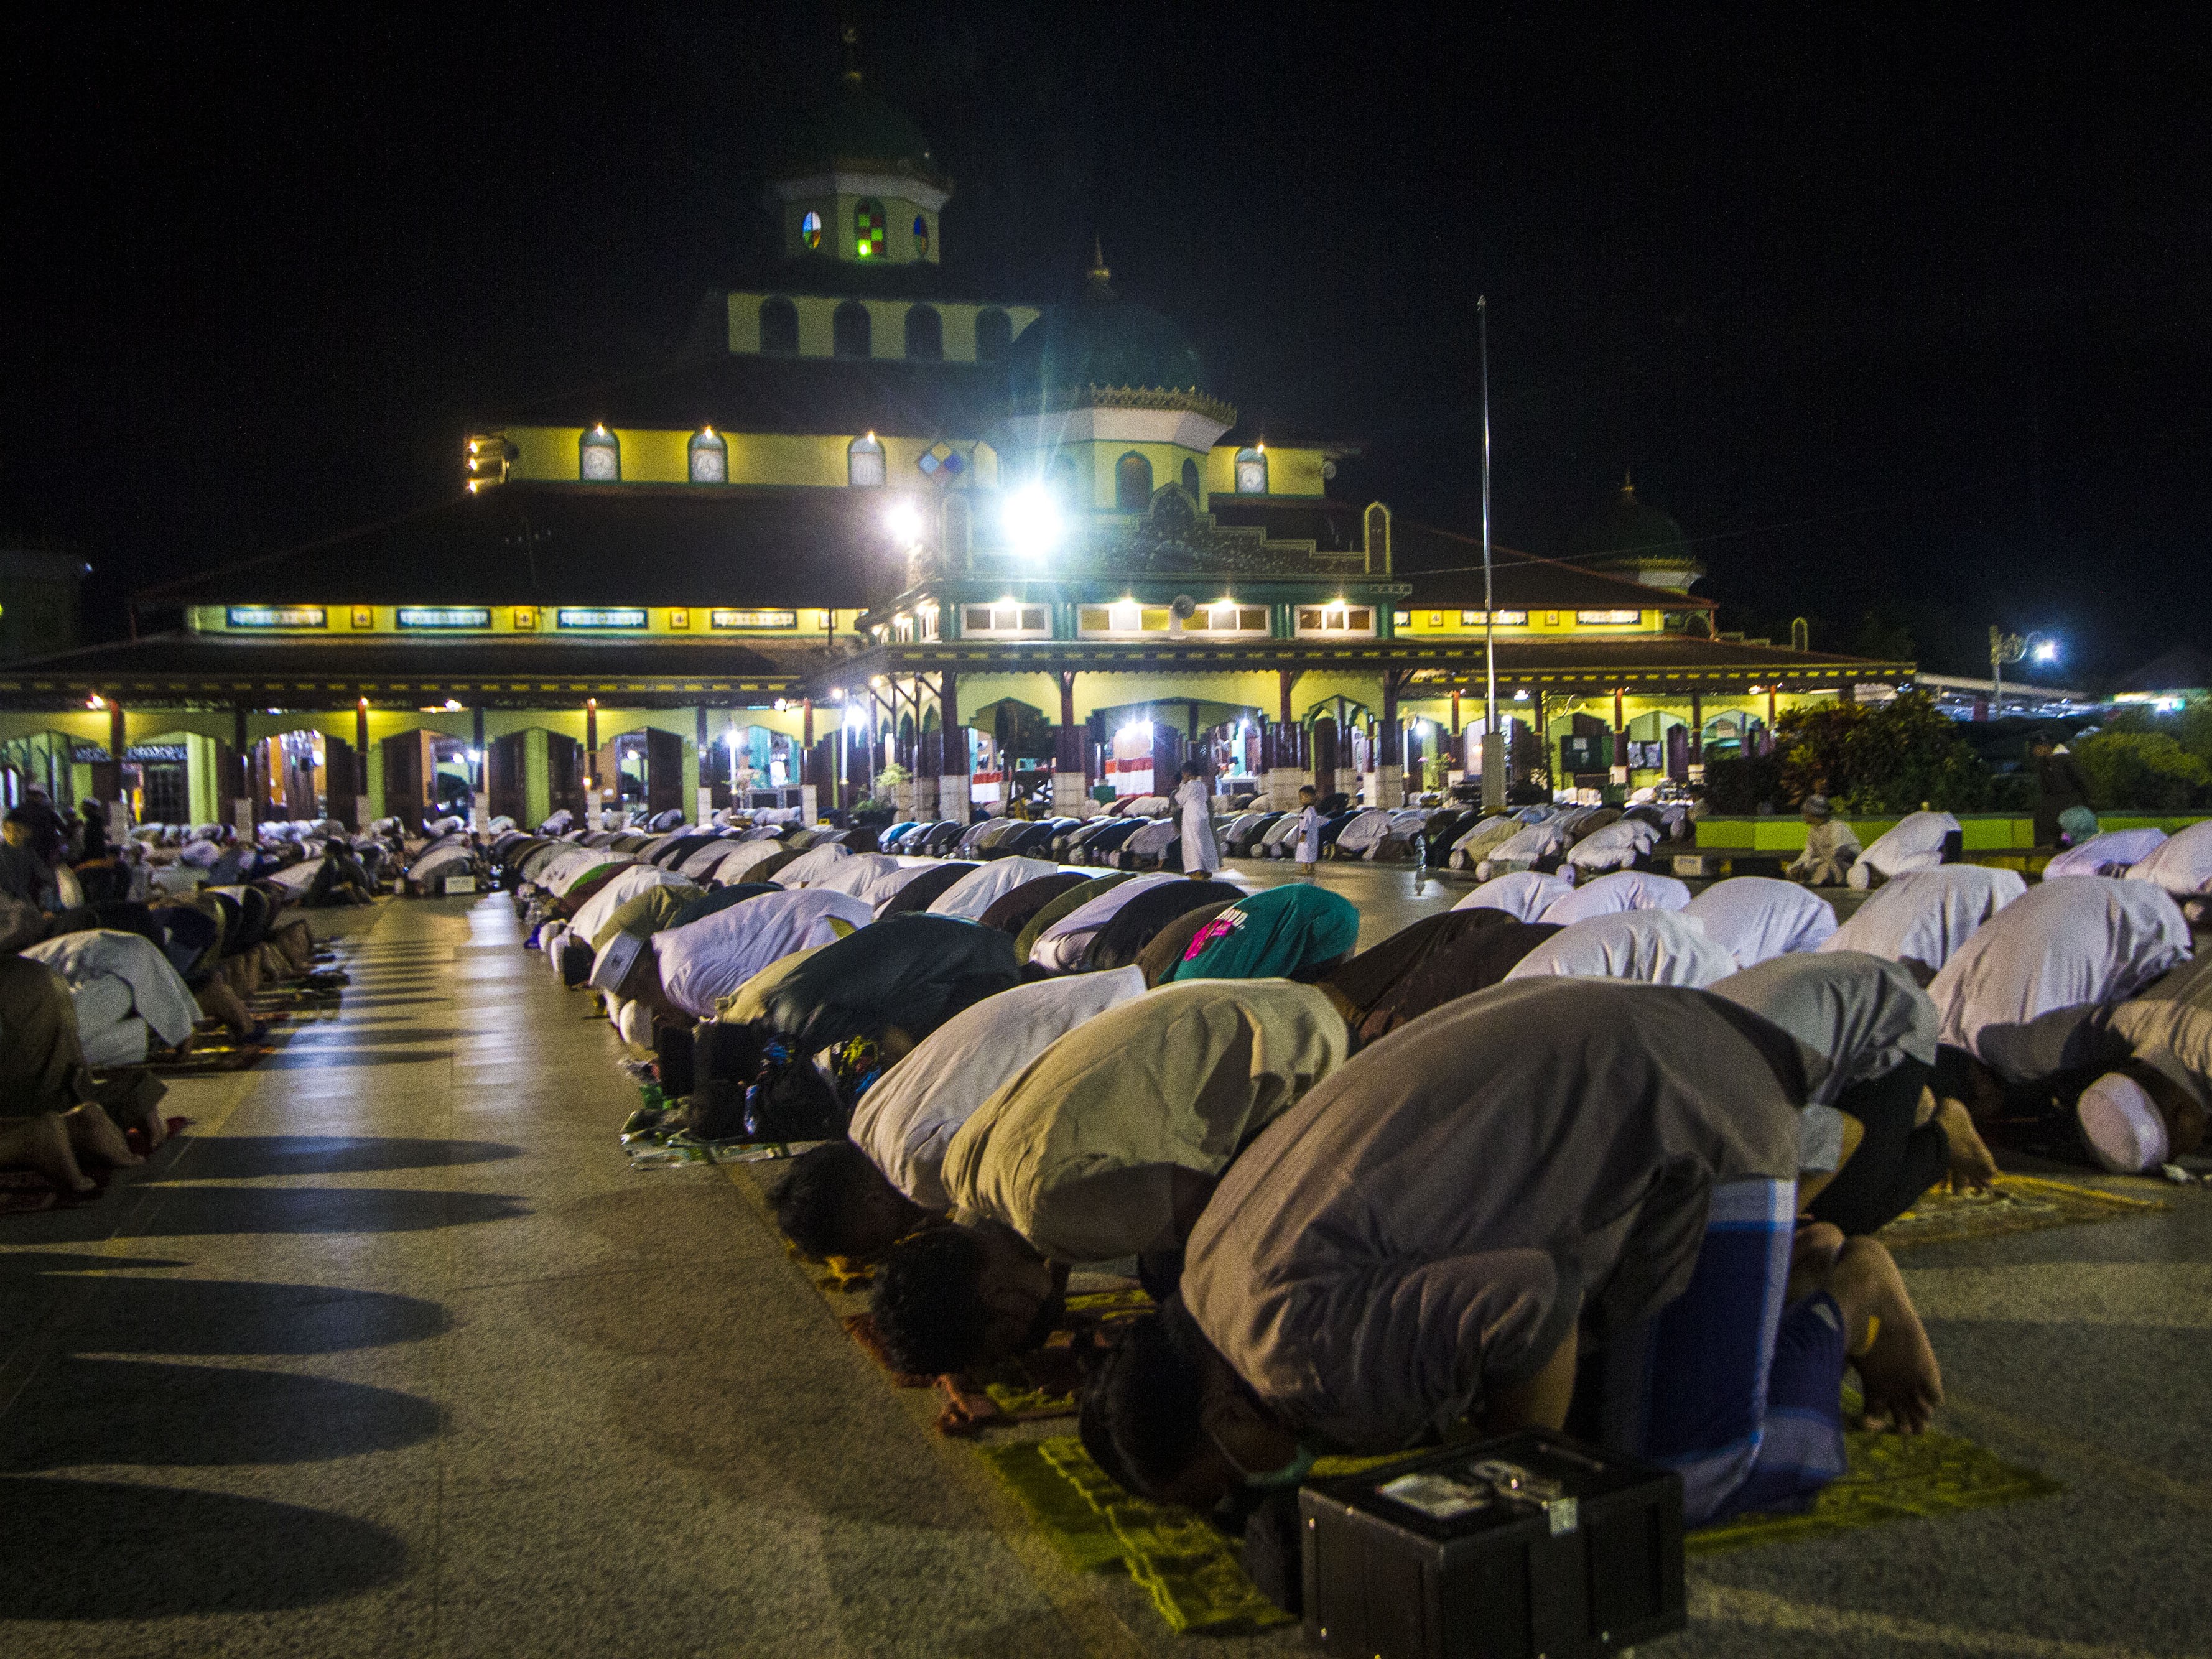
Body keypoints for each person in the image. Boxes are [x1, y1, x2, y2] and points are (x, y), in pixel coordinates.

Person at [1087, 979, 1941, 1525]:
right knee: (1593, 1413)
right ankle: (1787, 1274)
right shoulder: (1209, 1268)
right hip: (1653, 1044)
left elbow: (1537, 1299)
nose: (1245, 1504)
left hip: (1698, 1117)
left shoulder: (1295, 1359)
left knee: (1679, 1479)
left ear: (1225, 1417)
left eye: (1224, 1489)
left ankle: (1848, 1295)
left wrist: (1516, 1491)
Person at [868, 978, 1350, 1375]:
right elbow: (1065, 1195)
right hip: (1249, 1000)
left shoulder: (1043, 1209)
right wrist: (1051, 1288)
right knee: (1162, 1257)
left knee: (1187, 1283)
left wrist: (1188, 1354)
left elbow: (1224, 1214)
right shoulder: (963, 1169)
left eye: (1009, 1336)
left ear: (1002, 1302)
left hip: (1302, 1045)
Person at [778, 967, 1151, 1260]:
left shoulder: (916, 1170)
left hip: (1132, 1019)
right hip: (1099, 992)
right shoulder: (866, 1118)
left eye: (880, 1243)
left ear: (870, 1204)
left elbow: (1035, 1171)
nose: (899, 1240)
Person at [1712, 951, 1999, 1233]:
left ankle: (1947, 1131)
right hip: (1825, 1001)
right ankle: (1909, 1106)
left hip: (1888, 1016)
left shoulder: (1730, 1116)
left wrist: (1773, 1230)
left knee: (1848, 1211)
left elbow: (1841, 1135)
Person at [0, 954, 160, 1189]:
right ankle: (81, 1124)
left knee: (35, 1106)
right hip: (36, 981)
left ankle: (25, 1139)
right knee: (56, 1097)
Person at [2031, 730, 2093, 849]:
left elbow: (2082, 782)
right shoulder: (2045, 762)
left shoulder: (2064, 760)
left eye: (2036, 747)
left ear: (2046, 746)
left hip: (2067, 809)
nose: (2034, 752)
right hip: (2062, 810)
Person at [1785, 795, 1861, 886]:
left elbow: (1838, 854)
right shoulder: (1813, 831)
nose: (1803, 815)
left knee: (1826, 867)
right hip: (1825, 864)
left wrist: (1810, 866)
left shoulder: (1837, 827)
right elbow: (1809, 854)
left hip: (1844, 866)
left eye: (1805, 812)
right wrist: (1797, 866)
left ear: (1811, 813)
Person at [1173, 762, 1220, 879]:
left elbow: (1179, 799)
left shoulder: (1190, 786)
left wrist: (1182, 786)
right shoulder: (1202, 785)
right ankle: (1206, 869)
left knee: (1192, 844)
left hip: (1192, 818)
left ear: (1187, 774)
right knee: (1203, 843)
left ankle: (1196, 870)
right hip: (1203, 817)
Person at [1290, 784, 1324, 877]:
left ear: (1309, 797)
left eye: (1303, 797)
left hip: (1307, 836)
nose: (1301, 799)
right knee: (1311, 851)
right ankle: (1311, 868)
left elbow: (1306, 823)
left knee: (1305, 852)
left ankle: (1305, 869)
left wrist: (1303, 833)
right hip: (1312, 836)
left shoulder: (1308, 811)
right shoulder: (1311, 810)